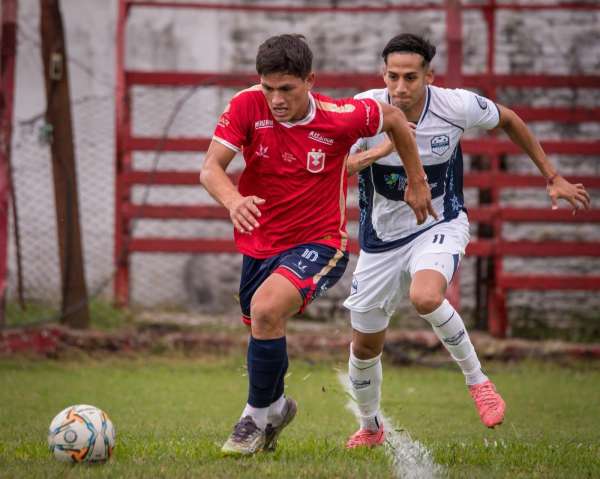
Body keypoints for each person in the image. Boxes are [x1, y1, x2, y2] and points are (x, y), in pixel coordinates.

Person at [343, 33, 591, 449]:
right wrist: (384, 148)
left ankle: (479, 382)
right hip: (380, 240)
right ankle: (370, 427)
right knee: (365, 346)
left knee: (425, 296)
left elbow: (508, 119)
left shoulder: (455, 106)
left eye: (410, 77)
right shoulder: (364, 109)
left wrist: (552, 176)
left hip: (439, 223)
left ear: (429, 76)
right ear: (382, 74)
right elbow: (340, 166)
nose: (400, 87)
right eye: (392, 77)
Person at [200, 34, 435, 456]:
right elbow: (210, 169)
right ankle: (275, 407)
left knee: (266, 310)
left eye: (286, 89)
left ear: (310, 81)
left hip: (320, 241)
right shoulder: (246, 105)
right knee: (263, 324)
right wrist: (233, 200)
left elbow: (396, 120)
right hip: (260, 242)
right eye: (268, 88)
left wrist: (417, 181)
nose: (275, 99)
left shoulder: (341, 117)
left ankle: (252, 418)